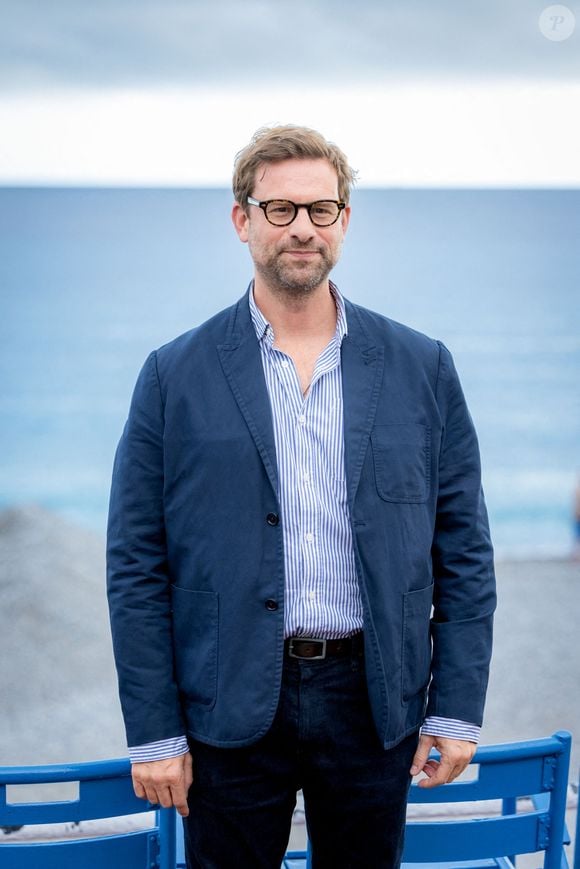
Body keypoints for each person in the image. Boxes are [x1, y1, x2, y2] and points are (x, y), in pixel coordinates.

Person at [107, 125, 496, 868]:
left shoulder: (422, 366)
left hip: (374, 699)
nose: (302, 229)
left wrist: (455, 707)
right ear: (242, 219)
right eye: (280, 210)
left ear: (345, 220)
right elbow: (135, 563)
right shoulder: (172, 374)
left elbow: (464, 550)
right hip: (227, 703)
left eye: (321, 209)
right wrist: (155, 732)